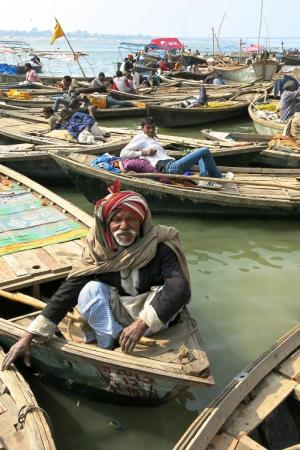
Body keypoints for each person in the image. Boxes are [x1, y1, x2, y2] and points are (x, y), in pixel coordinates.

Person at [1, 184, 191, 369]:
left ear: (142, 223)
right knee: (90, 290)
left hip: (150, 320)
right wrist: (29, 335)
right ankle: (109, 343)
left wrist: (142, 323)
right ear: (107, 224)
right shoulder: (97, 252)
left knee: (167, 292)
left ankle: (121, 338)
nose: (124, 226)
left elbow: (179, 289)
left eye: (131, 219)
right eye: (117, 220)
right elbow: (68, 292)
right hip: (115, 316)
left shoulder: (160, 246)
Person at [120, 117, 234, 188]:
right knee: (204, 150)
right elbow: (123, 153)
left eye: (153, 127)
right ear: (142, 128)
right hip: (169, 168)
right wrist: (143, 153)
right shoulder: (141, 137)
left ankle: (204, 178)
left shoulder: (153, 140)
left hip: (172, 164)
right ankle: (218, 177)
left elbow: (161, 154)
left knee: (198, 152)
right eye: (148, 127)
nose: (151, 130)